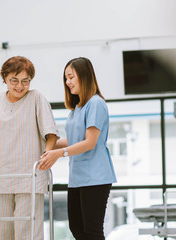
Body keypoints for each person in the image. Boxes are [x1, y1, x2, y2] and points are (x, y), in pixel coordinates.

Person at [0, 56, 59, 240]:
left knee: (26, 232)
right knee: (1, 233)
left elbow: (50, 133)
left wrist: (47, 155)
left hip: (30, 178)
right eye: (14, 81)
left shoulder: (36, 98)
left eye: (25, 81)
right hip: (1, 177)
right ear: (4, 78)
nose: (19, 86)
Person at [38, 57, 117, 240]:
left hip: (95, 177)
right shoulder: (76, 109)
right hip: (77, 178)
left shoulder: (96, 103)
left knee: (91, 232)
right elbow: (73, 140)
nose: (67, 82)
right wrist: (49, 144)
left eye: (71, 77)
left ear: (84, 76)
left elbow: (90, 142)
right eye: (66, 78)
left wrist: (59, 153)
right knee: (77, 229)